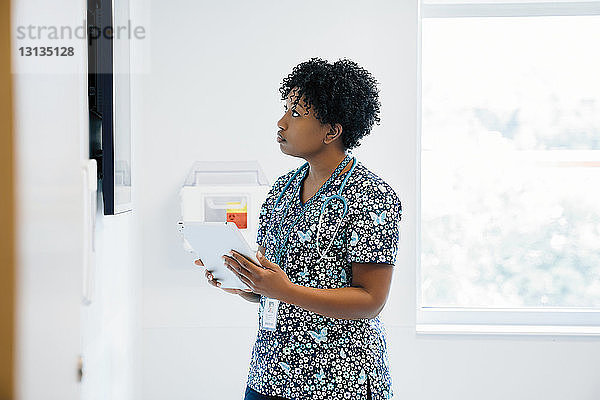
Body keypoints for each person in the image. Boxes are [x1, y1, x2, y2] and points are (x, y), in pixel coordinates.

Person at [196, 57, 402, 400]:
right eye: (286, 108)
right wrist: (242, 280)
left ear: (331, 131)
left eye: (296, 113)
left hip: (341, 382)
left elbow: (371, 301)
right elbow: (270, 286)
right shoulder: (282, 189)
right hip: (270, 374)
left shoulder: (372, 195)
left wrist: (284, 290)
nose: (281, 122)